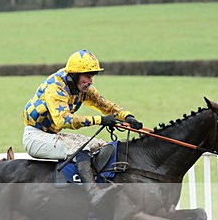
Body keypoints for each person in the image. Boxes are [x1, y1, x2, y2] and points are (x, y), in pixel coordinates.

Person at [22, 49, 144, 209]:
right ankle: (93, 193)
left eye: (92, 77)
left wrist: (127, 116)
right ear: (74, 75)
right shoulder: (55, 88)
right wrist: (99, 120)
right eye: (87, 77)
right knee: (83, 148)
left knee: (100, 145)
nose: (90, 81)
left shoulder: (82, 89)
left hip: (51, 134)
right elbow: (63, 120)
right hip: (35, 137)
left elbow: (106, 106)